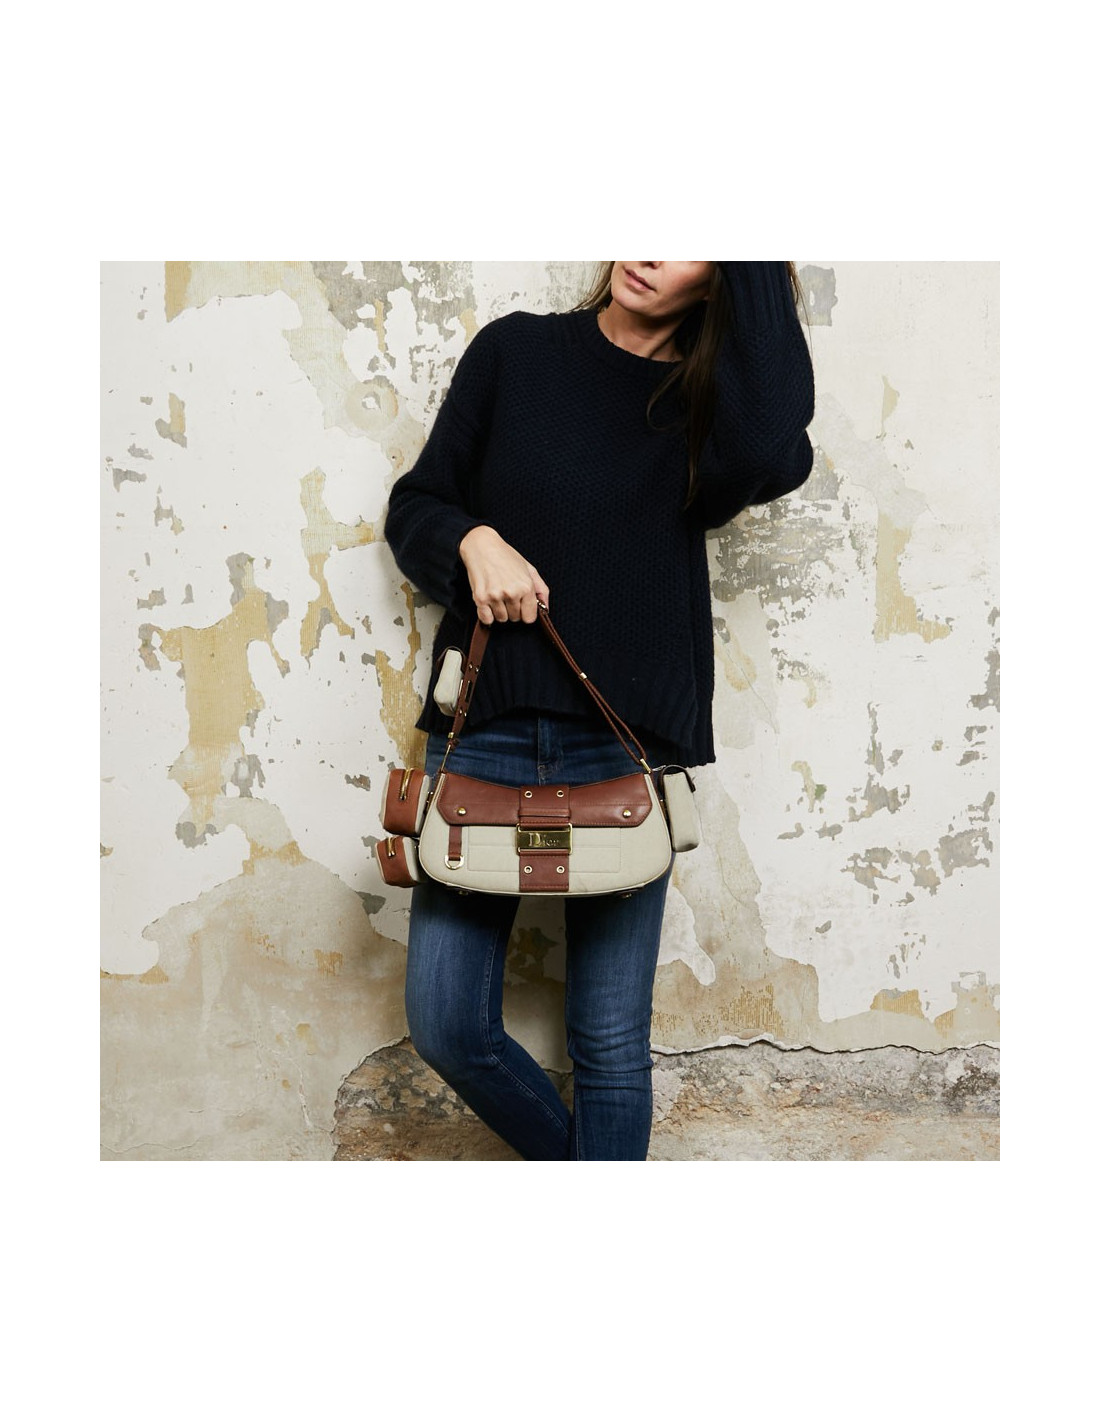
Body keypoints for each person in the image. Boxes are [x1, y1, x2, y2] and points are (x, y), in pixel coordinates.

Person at [383, 261, 815, 1160]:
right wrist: (472, 539)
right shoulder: (516, 353)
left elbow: (776, 448)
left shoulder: (709, 412)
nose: (650, 250)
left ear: (722, 279)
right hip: (485, 731)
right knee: (448, 1026)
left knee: (611, 1045)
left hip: (627, 751)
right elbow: (417, 503)